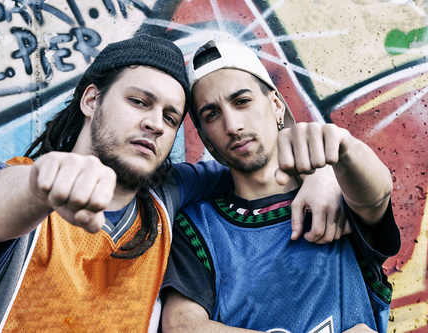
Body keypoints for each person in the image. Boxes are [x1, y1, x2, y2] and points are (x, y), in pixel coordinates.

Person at [0, 35, 343, 332]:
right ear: (91, 100)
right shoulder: (7, 186)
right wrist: (40, 185)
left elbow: (257, 166)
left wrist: (321, 172)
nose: (155, 122)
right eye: (139, 102)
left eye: (171, 117)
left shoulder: (165, 198)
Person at [161, 40, 401, 333]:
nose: (232, 125)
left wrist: (343, 148)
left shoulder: (337, 196)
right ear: (205, 137)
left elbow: (377, 195)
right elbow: (182, 326)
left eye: (242, 101)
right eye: (212, 114)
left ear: (276, 105)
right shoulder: (196, 227)